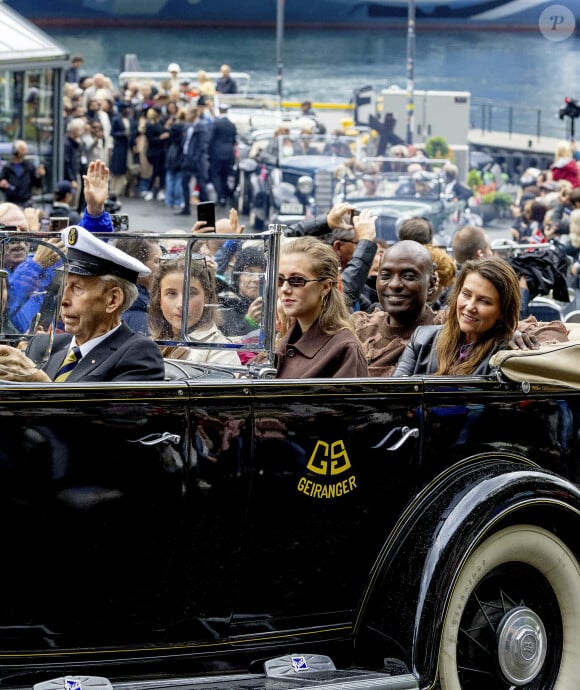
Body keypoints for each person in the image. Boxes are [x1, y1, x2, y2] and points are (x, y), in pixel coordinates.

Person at [0, 225, 165, 383]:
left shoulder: (139, 353)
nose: (63, 300)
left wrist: (40, 383)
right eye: (64, 286)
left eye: (77, 288)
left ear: (113, 299)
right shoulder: (45, 346)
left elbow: (109, 412)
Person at [393, 257, 521, 376]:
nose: (470, 306)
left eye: (484, 301)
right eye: (466, 294)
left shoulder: (506, 355)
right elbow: (394, 392)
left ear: (503, 312)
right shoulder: (421, 339)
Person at [275, 235, 368, 378]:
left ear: (325, 286)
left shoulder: (344, 348)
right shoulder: (282, 341)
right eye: (280, 280)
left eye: (297, 280)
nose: (285, 289)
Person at [351, 240, 442, 376]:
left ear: (431, 284)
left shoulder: (444, 333)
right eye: (386, 276)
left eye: (409, 276)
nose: (394, 285)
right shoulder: (359, 327)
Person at [148, 254, 240, 366]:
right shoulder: (149, 343)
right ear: (159, 298)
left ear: (206, 296)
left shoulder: (220, 350)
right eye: (171, 293)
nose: (181, 304)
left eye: (191, 293)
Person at [114, 236, 162, 335]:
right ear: (137, 266)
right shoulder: (138, 318)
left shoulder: (142, 304)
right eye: (157, 261)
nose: (163, 266)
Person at [220, 246, 267, 337]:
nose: (256, 279)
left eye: (261, 274)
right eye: (250, 272)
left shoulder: (271, 303)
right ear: (238, 277)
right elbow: (228, 343)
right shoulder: (226, 302)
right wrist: (249, 322)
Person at [0, 140, 46, 207]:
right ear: (15, 151)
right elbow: (2, 183)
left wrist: (40, 176)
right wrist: (2, 184)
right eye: (23, 149)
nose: (25, 152)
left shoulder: (30, 167)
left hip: (26, 202)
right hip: (11, 203)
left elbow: (38, 184)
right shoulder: (7, 168)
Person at [209, 103, 237, 207]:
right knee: (224, 175)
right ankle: (224, 195)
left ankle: (220, 196)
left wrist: (209, 152)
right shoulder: (231, 124)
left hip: (217, 153)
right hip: (229, 153)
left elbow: (211, 139)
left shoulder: (216, 123)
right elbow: (234, 140)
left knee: (216, 174)